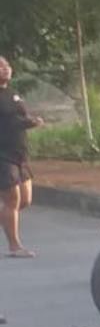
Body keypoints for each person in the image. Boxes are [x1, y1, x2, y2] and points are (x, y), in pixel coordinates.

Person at [0, 56, 44, 258]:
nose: (5, 69)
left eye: (6, 65)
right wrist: (27, 123)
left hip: (20, 154)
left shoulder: (12, 93)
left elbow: (19, 117)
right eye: (0, 67)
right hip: (3, 153)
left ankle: (7, 221)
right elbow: (10, 122)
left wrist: (32, 121)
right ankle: (15, 246)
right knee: (12, 200)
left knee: (25, 200)